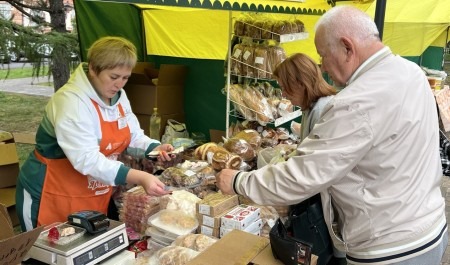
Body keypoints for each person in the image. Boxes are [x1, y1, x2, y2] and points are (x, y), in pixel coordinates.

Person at [216, 5, 448, 265]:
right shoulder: (411, 73)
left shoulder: (355, 101)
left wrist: (239, 181)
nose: (323, 67)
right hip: (430, 227)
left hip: (389, 247)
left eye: (324, 56)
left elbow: (304, 176)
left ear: (347, 47)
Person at [16, 36, 173, 232]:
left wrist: (154, 147)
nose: (119, 84)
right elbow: (86, 159)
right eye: (114, 77)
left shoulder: (118, 96)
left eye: (125, 78)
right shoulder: (71, 101)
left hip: (92, 192)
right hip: (52, 193)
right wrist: (138, 176)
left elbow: (131, 135)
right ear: (92, 68)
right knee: (47, 253)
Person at [273, 53, 339, 265]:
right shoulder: (310, 108)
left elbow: (316, 167)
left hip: (328, 210)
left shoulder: (323, 109)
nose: (283, 94)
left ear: (301, 83)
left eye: (286, 87)